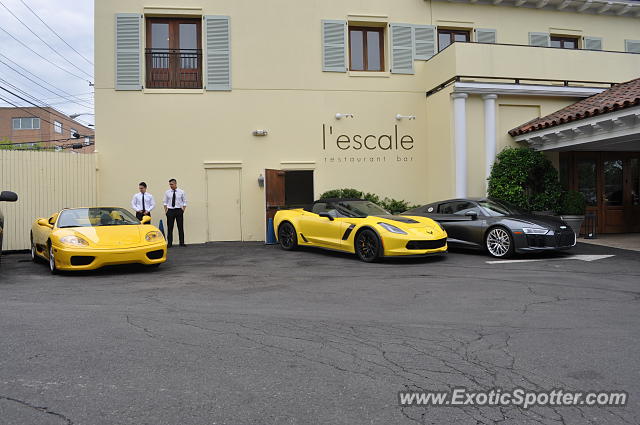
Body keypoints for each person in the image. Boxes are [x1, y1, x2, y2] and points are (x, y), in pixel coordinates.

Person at [164, 178, 187, 247]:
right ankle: (170, 243)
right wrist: (166, 211)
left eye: (172, 184)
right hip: (170, 210)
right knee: (170, 227)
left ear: (175, 184)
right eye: (170, 184)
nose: (170, 186)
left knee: (180, 227)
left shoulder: (181, 192)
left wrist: (183, 210)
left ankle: (182, 242)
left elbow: (185, 202)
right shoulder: (167, 192)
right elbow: (165, 202)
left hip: (178, 210)